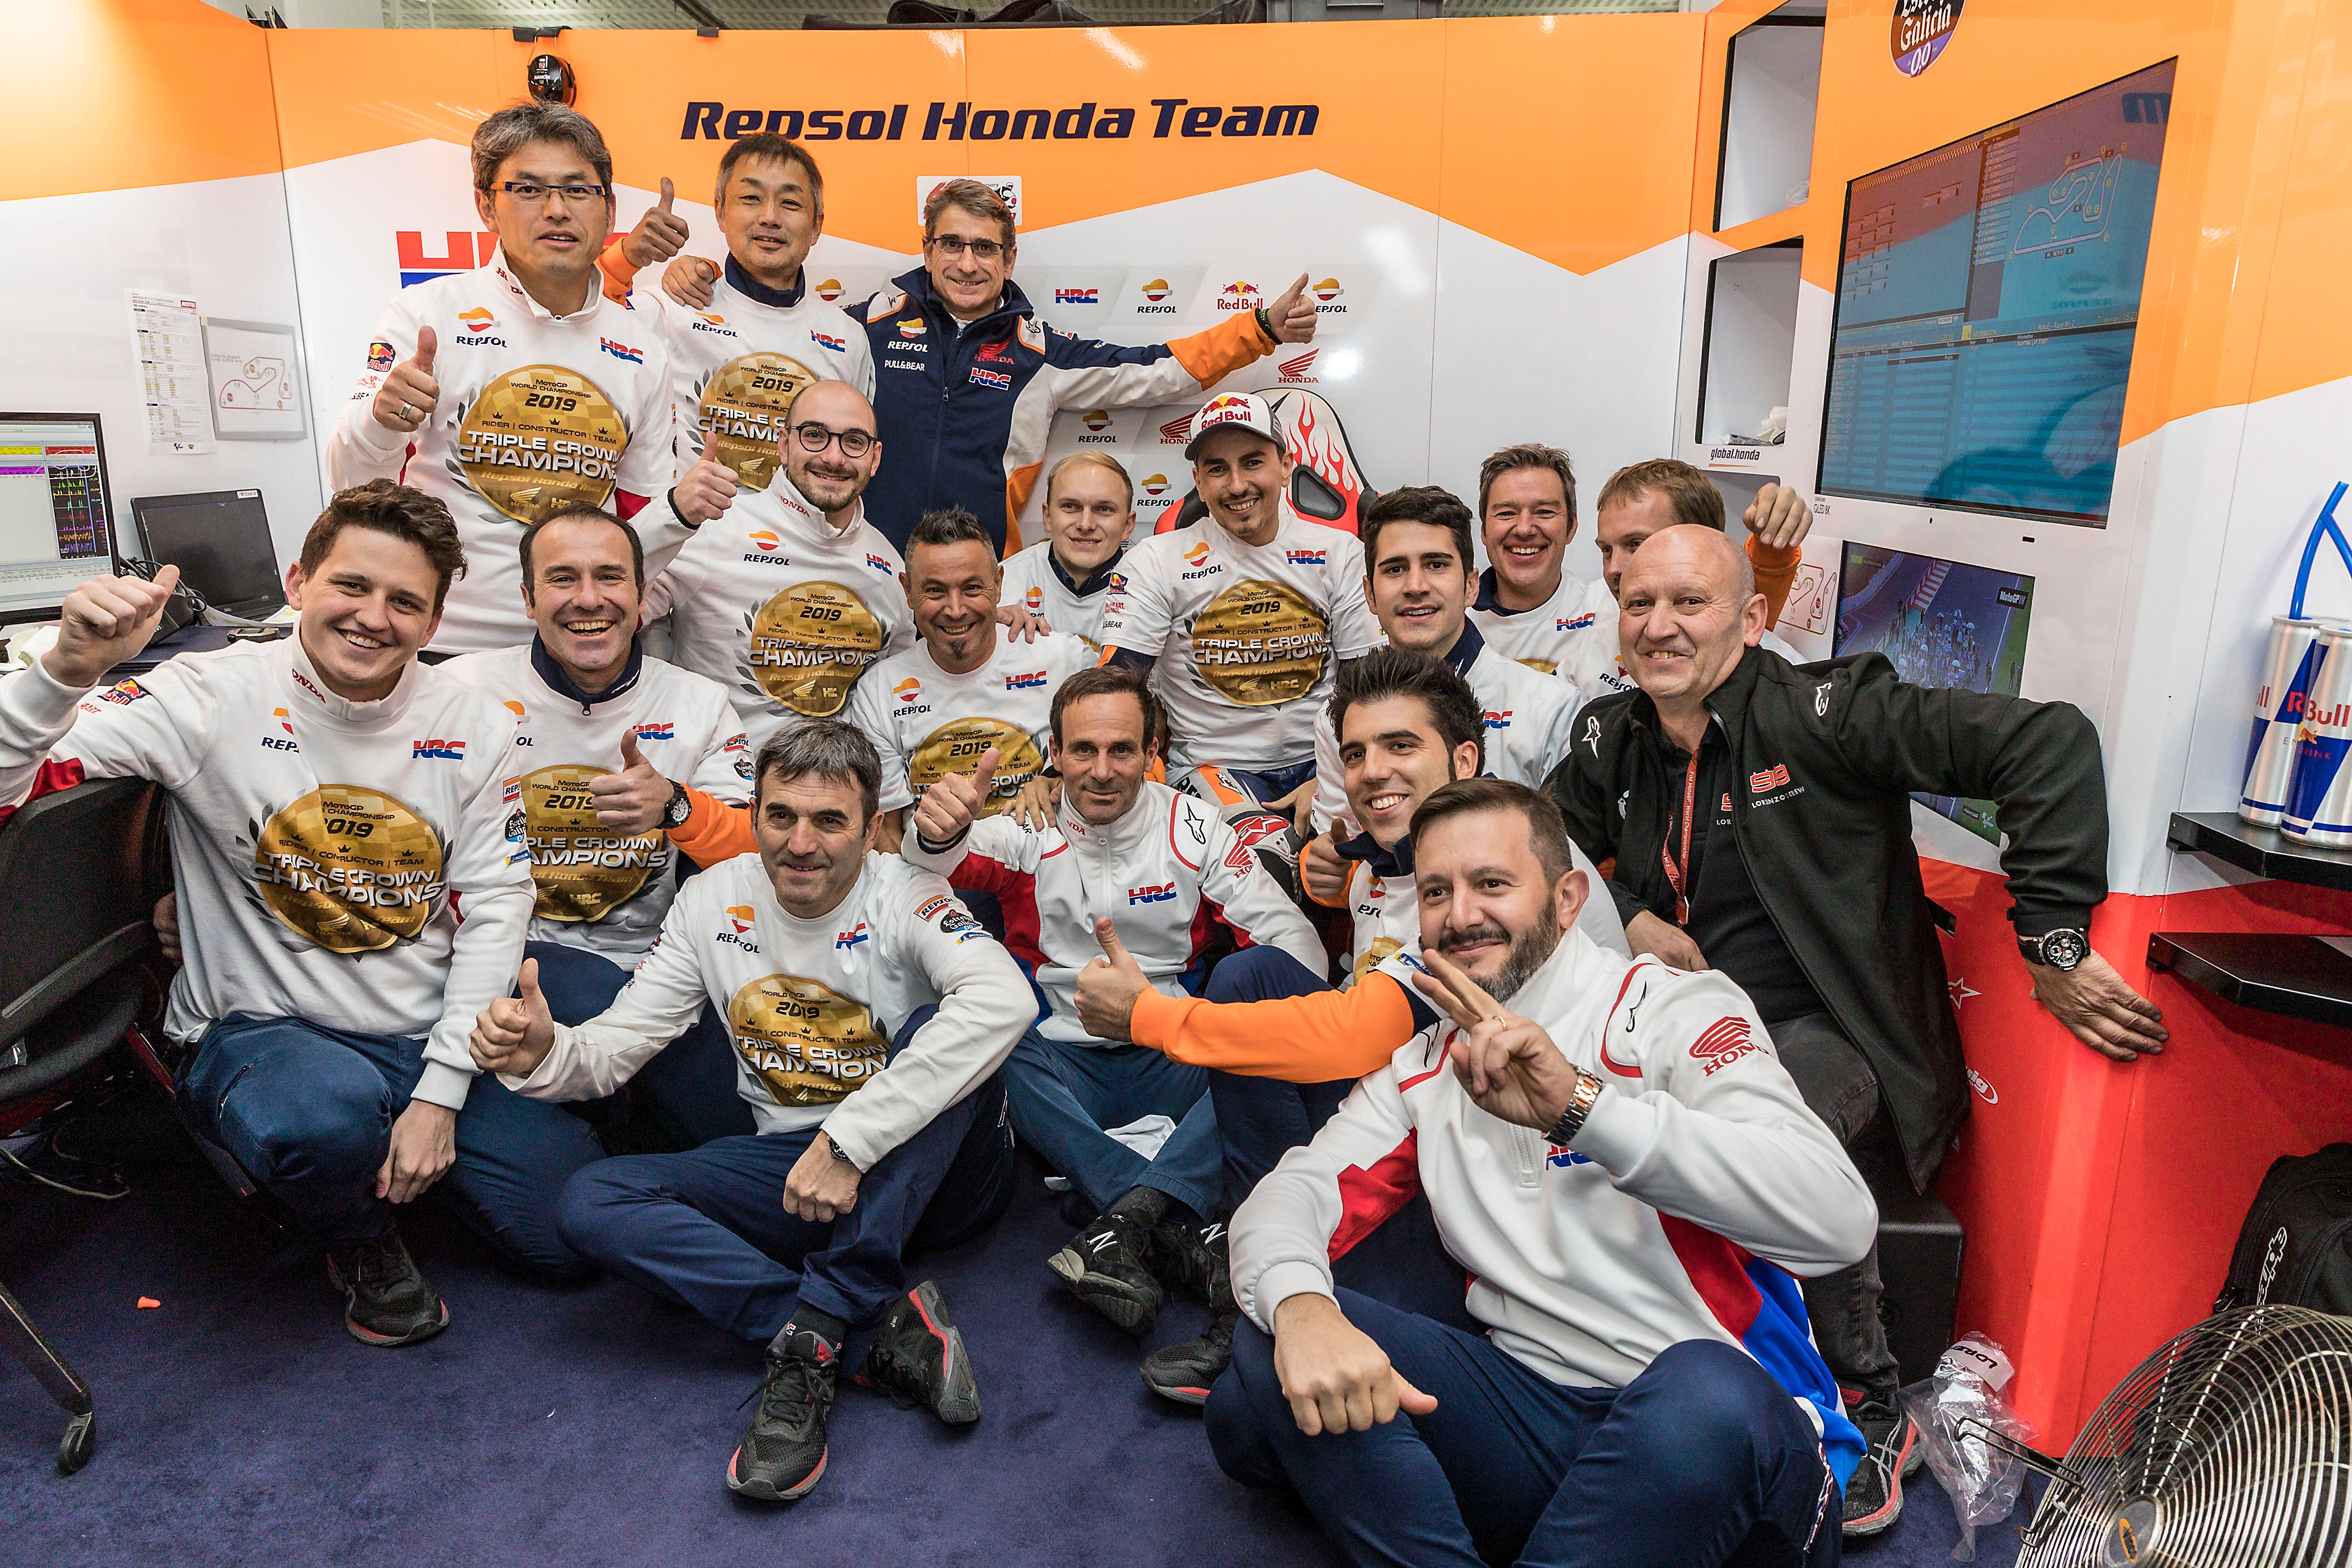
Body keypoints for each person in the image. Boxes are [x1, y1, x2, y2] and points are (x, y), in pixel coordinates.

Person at [1549, 524, 2166, 1536]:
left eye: (1688, 604)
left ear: (1750, 621)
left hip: (1824, 1034)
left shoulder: (1826, 713)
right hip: (1667, 1026)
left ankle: (1871, 1400)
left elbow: (2044, 742)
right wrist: (1627, 902)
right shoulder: (1608, 736)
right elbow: (1544, 834)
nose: (1658, 627)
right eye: (1638, 605)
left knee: (1769, 1126)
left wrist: (2050, 936)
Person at [1208, 778, 1876, 1568]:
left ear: (1565, 900)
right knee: (1273, 1331)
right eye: (1435, 891)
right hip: (1537, 1416)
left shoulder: (1669, 1011)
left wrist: (1583, 1111)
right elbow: (1294, 1190)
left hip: (1728, 1446)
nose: (1460, 915)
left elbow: (1839, 1219)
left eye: (1491, 884)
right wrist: (1301, 1307)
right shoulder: (1426, 1064)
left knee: (1706, 1388)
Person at [0, 481, 584, 1344]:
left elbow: (499, 904)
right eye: (351, 586)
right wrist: (66, 670)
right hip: (267, 1031)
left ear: (432, 623)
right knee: (317, 1122)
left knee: (563, 1239)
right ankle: (355, 1233)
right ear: (299, 581)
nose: (373, 617)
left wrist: (440, 1095)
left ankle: (378, 1150)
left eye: (404, 602)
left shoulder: (473, 720)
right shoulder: (208, 695)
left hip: (417, 1032)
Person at [468, 721, 1029, 1502]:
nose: (799, 843)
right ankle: (852, 1336)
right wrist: (544, 1053)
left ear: (871, 830)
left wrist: (852, 1140)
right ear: (755, 812)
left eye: (829, 821)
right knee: (593, 1201)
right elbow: (623, 1041)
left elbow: (1006, 1001)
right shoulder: (713, 896)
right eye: (780, 816)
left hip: (937, 1180)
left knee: (947, 1031)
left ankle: (824, 1318)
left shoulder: (908, 892)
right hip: (797, 1176)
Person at [1073, 649, 1625, 1401]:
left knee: (1256, 1002)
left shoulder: (1493, 878)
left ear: (1465, 757)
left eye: (1402, 746)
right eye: (1357, 752)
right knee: (1252, 980)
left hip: (1533, 1178)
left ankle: (1230, 1267)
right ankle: (1250, 1270)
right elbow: (1358, 989)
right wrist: (1324, 886)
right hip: (1420, 1117)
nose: (1372, 771)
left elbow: (1356, 1032)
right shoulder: (1382, 865)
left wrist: (1149, 1016)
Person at [900, 664, 1323, 1362]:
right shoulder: (1023, 831)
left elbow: (1297, 952)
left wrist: (1166, 1013)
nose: (1101, 770)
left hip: (1177, 1053)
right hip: (1061, 1070)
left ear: (1151, 750)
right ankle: (1166, 1216)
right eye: (1084, 751)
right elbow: (917, 873)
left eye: (1121, 749)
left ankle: (1122, 1218)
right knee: (975, 1024)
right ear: (1055, 754)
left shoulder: (1196, 830)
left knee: (1264, 1027)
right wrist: (934, 834)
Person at [646, 176, 1319, 555]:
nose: (968, 263)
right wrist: (694, 277)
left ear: (1009, 260)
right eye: (953, 245)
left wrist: (1257, 330)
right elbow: (767, 334)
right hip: (851, 561)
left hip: (974, 579)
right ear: (929, 250)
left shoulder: (1039, 350)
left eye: (985, 249)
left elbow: (1155, 370)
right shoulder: (862, 325)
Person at [440, 506, 755, 1150]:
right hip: (510, 965)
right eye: (563, 579)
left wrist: (676, 806)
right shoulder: (460, 691)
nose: (589, 600)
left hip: (657, 974)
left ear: (642, 597)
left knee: (731, 1131)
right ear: (528, 599)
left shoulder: (698, 702)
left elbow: (758, 854)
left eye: (611, 578)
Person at [325, 103, 674, 655]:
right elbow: (352, 490)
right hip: (440, 642)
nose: (557, 210)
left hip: (575, 652)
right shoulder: (428, 313)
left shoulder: (643, 348)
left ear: (608, 209)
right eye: (528, 189)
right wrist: (380, 422)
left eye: (578, 190)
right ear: (486, 205)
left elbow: (643, 520)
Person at [1099, 392, 1381, 818]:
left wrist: (1331, 781)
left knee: (1345, 859)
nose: (1236, 485)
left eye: (1253, 462)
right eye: (1217, 469)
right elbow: (1117, 685)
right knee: (1260, 860)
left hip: (1326, 761)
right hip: (1215, 767)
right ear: (1198, 480)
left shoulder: (1341, 553)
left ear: (1285, 466)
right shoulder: (1155, 561)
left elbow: (1371, 689)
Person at [642, 378, 914, 748]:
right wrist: (673, 513)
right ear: (784, 445)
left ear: (875, 458)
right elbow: (609, 591)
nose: (834, 458)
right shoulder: (715, 528)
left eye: (854, 442)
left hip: (834, 791)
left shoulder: (889, 567)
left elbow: (898, 699)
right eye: (815, 435)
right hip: (720, 784)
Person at [1305, 485, 1576, 846]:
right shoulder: (1336, 716)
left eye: (1436, 565)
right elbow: (1340, 843)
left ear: (1470, 586)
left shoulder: (1551, 708)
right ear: (1370, 594)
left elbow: (1567, 857)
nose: (1415, 586)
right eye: (1396, 569)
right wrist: (1331, 868)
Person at [597, 136, 873, 470]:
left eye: (790, 203)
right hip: (687, 522)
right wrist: (624, 259)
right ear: (721, 212)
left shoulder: (848, 337)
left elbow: (853, 458)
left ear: (816, 225)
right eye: (751, 198)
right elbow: (572, 331)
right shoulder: (671, 307)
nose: (770, 217)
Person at [843, 506, 1096, 846]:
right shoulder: (879, 691)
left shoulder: (1064, 659)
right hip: (935, 875)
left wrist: (1057, 778)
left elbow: (1120, 757)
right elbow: (886, 831)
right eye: (934, 591)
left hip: (1047, 870)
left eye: (973, 588)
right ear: (907, 591)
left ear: (999, 583)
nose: (956, 609)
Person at [1567, 458, 1813, 701]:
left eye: (1638, 545)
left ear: (1703, 540)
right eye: (1607, 550)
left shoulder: (1788, 684)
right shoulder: (1594, 641)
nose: (1614, 569)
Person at [999, 451, 1135, 650]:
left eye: (1104, 509)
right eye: (1070, 506)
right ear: (1048, 517)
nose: (1086, 524)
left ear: (1128, 525)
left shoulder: (1154, 587)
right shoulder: (1003, 583)